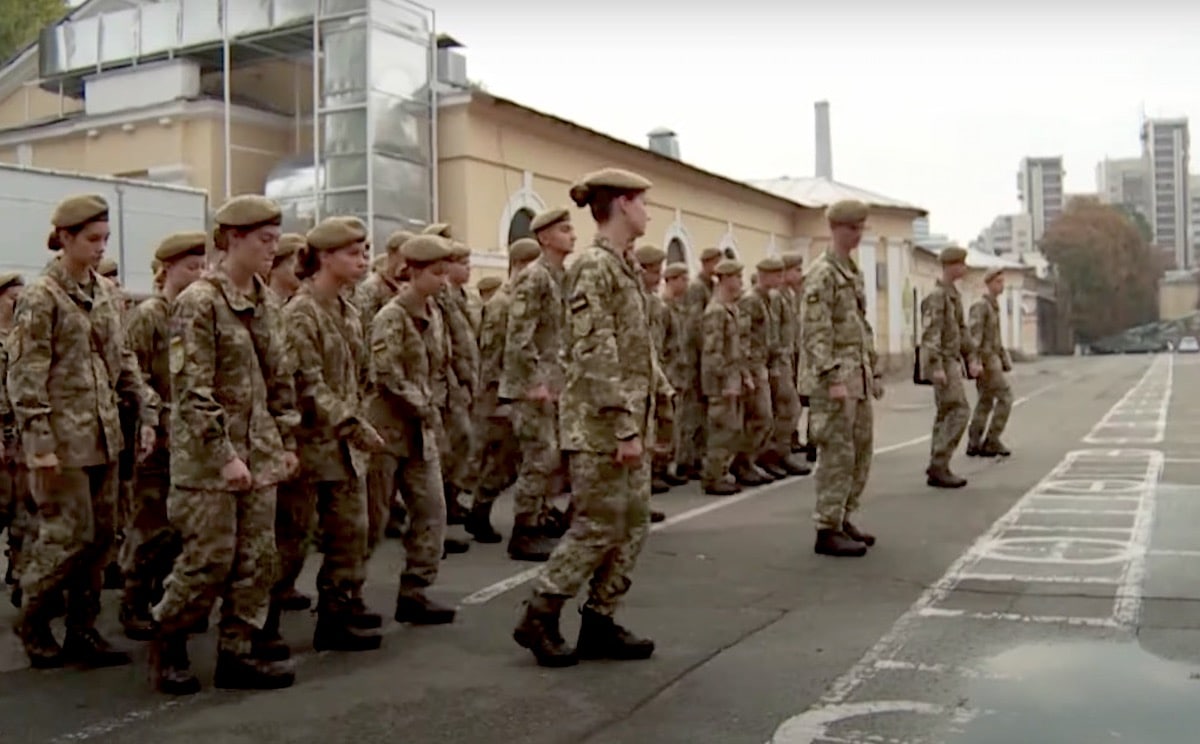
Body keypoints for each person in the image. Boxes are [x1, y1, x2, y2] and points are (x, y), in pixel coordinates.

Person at [150, 194, 300, 694]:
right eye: (265, 240)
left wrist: (286, 439)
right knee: (208, 560)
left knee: (258, 559)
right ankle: (168, 641)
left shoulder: (267, 301)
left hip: (261, 452)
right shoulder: (199, 302)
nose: (273, 249)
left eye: (276, 240)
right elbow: (191, 388)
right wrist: (224, 455)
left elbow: (281, 378)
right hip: (207, 462)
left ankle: (237, 652)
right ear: (233, 239)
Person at [513, 167, 658, 668]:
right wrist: (622, 424)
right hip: (601, 426)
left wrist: (655, 403)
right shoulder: (594, 267)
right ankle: (541, 612)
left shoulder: (624, 265)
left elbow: (636, 346)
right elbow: (596, 350)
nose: (648, 212)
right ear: (622, 204)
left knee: (632, 524)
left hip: (628, 418)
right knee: (597, 525)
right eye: (643, 201)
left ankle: (600, 618)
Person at [9, 194, 158, 668]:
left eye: (105, 239)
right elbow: (26, 373)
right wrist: (39, 442)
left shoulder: (106, 294)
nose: (100, 248)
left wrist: (146, 410)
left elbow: (123, 359)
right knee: (65, 537)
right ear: (65, 238)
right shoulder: (41, 297)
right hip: (61, 442)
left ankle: (83, 628)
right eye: (92, 239)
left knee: (100, 540)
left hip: (103, 436)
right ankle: (33, 618)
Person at [279, 217, 386, 652]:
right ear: (324, 257)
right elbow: (306, 382)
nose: (363, 261)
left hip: (343, 446)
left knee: (350, 532)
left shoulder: (347, 310)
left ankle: (337, 613)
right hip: (309, 443)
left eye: (364, 252)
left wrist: (360, 417)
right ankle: (260, 625)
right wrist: (351, 423)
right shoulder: (301, 313)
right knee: (292, 540)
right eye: (353, 253)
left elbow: (360, 375)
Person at [364, 235, 458, 625]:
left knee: (432, 511)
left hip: (420, 432)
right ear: (413, 273)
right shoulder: (392, 316)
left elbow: (439, 367)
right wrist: (422, 405)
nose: (443, 281)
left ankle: (415, 590)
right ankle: (344, 594)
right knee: (372, 520)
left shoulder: (434, 314)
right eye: (436, 273)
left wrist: (437, 405)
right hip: (387, 431)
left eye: (445, 273)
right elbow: (385, 373)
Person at [118, 232, 207, 641]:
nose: (199, 274)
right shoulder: (151, 315)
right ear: (168, 268)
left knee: (182, 525)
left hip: (188, 437)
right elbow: (132, 374)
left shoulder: (195, 313)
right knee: (150, 522)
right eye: (191, 267)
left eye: (202, 266)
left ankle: (166, 597)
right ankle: (134, 600)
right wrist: (153, 416)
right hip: (157, 435)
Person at [802, 199, 883, 558]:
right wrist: (832, 376)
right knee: (836, 453)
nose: (858, 234)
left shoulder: (851, 271)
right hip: (835, 379)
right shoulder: (822, 274)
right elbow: (816, 331)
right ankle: (827, 526)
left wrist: (873, 369)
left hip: (857, 376)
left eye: (861, 228)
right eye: (852, 228)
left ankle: (844, 515)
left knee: (860, 449)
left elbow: (861, 326)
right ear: (835, 228)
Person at [501, 207, 576, 560]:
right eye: (564, 230)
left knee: (552, 456)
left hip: (554, 382)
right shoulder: (534, 277)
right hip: (531, 386)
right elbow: (519, 336)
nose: (572, 235)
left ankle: (541, 515)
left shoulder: (561, 277)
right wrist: (533, 382)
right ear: (545, 238)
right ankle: (524, 530)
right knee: (539, 456)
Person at [465, 238, 542, 543]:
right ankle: (479, 510)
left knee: (522, 459)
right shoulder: (502, 304)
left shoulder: (526, 300)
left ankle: (528, 513)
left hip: (524, 391)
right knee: (506, 459)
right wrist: (497, 398)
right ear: (520, 265)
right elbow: (491, 355)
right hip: (504, 395)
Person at [920, 246, 979, 488]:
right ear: (950, 266)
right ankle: (939, 462)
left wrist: (971, 356)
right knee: (959, 410)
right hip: (943, 360)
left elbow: (961, 330)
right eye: (960, 264)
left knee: (946, 412)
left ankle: (938, 464)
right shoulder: (937, 296)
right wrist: (935, 366)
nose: (964, 268)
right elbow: (930, 333)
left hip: (952, 360)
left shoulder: (953, 295)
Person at [0, 273, 29, 606]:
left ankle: (21, 575)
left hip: (21, 435)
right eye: (12, 298)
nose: (18, 304)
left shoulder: (24, 337)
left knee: (24, 511)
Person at [967, 267, 1014, 458]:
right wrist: (974, 360)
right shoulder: (981, 306)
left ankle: (974, 442)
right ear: (988, 283)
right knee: (1006, 397)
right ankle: (992, 440)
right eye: (998, 282)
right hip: (987, 361)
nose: (1001, 285)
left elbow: (995, 338)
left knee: (985, 401)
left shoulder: (993, 306)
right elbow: (974, 336)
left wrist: (1004, 358)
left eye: (1003, 282)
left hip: (993, 359)